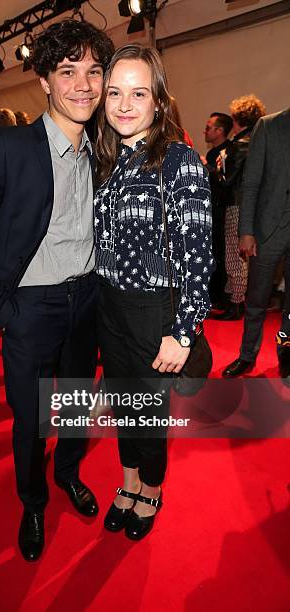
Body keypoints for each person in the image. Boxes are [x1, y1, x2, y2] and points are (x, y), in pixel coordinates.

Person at [0, 19, 114, 561]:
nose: (84, 85)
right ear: (45, 79)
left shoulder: (103, 150)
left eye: (93, 72)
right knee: (30, 418)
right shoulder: (9, 147)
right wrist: (3, 308)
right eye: (68, 72)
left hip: (85, 301)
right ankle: (32, 500)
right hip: (30, 307)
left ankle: (67, 475)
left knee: (72, 408)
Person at [94, 44, 213, 541]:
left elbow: (199, 254)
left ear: (158, 101)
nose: (124, 104)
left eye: (138, 93)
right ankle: (127, 482)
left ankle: (152, 488)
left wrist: (183, 332)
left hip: (152, 310)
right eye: (115, 92)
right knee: (124, 402)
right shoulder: (107, 161)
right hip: (110, 304)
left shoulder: (178, 159)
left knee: (148, 408)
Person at [222, 108, 290, 383]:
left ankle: (286, 353)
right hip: (268, 229)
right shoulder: (269, 125)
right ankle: (247, 355)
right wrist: (246, 231)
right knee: (257, 299)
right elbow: (251, 183)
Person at [214, 94, 266, 321]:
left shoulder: (238, 146)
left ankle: (236, 304)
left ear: (237, 120)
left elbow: (228, 180)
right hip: (256, 205)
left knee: (235, 255)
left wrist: (218, 167)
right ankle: (235, 300)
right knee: (245, 255)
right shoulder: (259, 140)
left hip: (237, 203)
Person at [201, 112, 234, 308]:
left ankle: (222, 297)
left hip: (222, 211)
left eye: (209, 127)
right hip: (209, 210)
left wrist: (207, 168)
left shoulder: (229, 151)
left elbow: (225, 183)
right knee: (210, 252)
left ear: (220, 131)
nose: (205, 131)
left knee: (222, 253)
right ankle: (212, 296)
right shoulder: (213, 153)